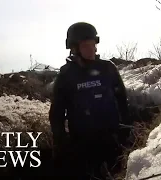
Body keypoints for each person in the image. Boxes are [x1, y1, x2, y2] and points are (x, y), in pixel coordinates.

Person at [49, 22, 131, 180]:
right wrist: (61, 141)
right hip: (82, 144)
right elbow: (57, 113)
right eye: (85, 45)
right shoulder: (67, 75)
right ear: (74, 49)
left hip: (112, 140)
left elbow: (122, 100)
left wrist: (125, 129)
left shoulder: (108, 68)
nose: (91, 49)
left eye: (92, 44)